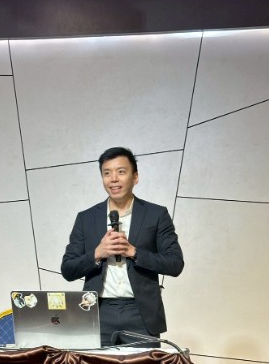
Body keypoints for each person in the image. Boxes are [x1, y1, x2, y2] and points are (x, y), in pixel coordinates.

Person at [61, 146, 184, 347]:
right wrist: (97, 253)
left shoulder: (156, 214)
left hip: (141, 313)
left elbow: (175, 263)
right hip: (98, 312)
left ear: (135, 177)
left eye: (121, 172)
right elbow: (68, 269)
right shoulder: (86, 218)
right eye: (107, 173)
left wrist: (133, 252)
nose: (113, 179)